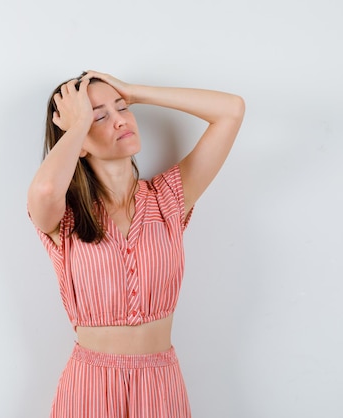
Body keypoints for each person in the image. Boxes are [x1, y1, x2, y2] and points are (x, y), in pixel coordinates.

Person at [27, 70, 245, 418]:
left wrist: (134, 91)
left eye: (122, 108)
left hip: (161, 383)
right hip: (90, 384)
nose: (119, 121)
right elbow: (45, 190)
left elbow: (231, 110)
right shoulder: (64, 216)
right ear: (78, 138)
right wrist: (78, 124)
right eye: (99, 115)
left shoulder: (169, 198)